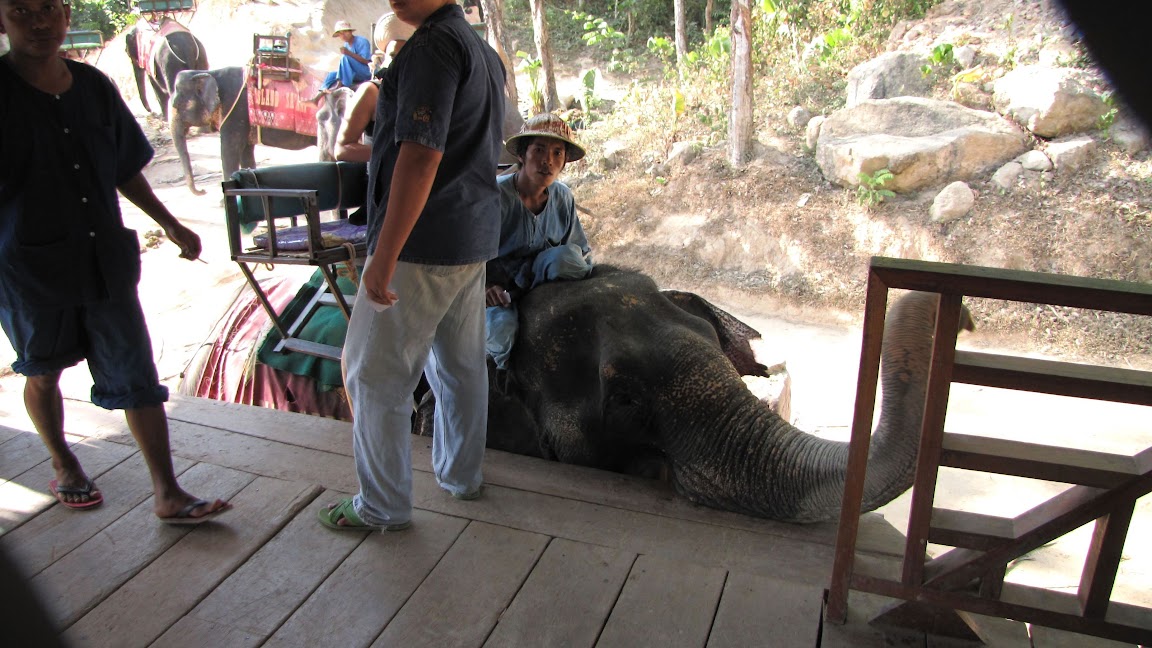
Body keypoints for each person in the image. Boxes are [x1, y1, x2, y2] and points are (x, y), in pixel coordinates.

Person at [0, 0, 231, 523]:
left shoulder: (94, 88)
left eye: (47, 10)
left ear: (63, 14)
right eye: (20, 11)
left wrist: (170, 222)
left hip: (103, 256)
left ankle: (168, 491)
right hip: (31, 265)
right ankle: (63, 462)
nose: (38, 22)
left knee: (137, 372)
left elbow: (125, 168)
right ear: (2, 20)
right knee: (43, 369)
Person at [318, 0, 506, 532]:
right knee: (460, 366)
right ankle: (462, 477)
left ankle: (382, 506)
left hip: (423, 243)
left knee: (372, 374)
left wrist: (383, 256)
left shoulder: (432, 47)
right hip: (470, 236)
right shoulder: (482, 52)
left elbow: (421, 156)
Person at [485, 114, 593, 376]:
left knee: (567, 258)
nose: (548, 161)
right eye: (539, 150)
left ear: (565, 162)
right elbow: (468, 256)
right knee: (501, 337)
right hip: (501, 292)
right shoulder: (495, 197)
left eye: (558, 153)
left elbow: (580, 251)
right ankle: (505, 385)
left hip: (544, 279)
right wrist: (485, 287)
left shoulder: (563, 197)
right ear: (522, 154)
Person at [318, 20, 372, 94]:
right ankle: (322, 91)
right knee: (333, 73)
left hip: (365, 72)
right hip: (354, 73)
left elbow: (367, 61)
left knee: (344, 57)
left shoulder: (362, 41)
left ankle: (341, 85)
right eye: (340, 34)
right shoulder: (346, 45)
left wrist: (349, 53)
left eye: (345, 32)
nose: (343, 35)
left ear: (350, 32)